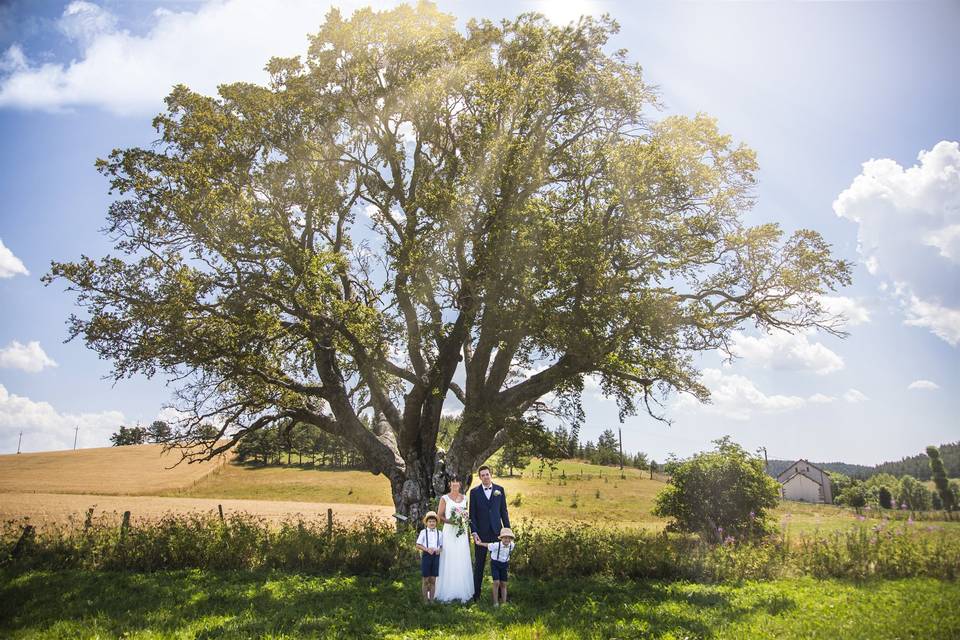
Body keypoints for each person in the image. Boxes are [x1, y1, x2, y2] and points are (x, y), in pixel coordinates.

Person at [469, 465, 510, 601]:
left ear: (490, 475)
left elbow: (503, 511)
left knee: (499, 563)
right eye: (483, 475)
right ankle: (476, 595)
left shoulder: (499, 490)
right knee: (479, 565)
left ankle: (499, 596)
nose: (485, 477)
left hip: (497, 533)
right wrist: (474, 532)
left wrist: (507, 532)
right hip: (481, 533)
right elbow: (472, 515)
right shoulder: (474, 492)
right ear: (480, 477)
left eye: (487, 474)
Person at [434, 477, 474, 602]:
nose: (455, 483)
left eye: (457, 481)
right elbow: (439, 516)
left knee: (461, 558)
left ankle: (461, 591)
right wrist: (452, 521)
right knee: (449, 557)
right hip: (449, 532)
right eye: (453, 482)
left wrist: (463, 520)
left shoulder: (465, 498)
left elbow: (466, 514)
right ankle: (446, 591)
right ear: (450, 484)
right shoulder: (444, 498)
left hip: (461, 533)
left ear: (460, 484)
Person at [474, 527, 516, 606]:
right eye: (505, 538)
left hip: (504, 565)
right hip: (495, 564)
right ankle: (495, 602)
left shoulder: (512, 545)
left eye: (509, 538)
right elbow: (488, 545)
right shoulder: (497, 545)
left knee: (504, 583)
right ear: (501, 538)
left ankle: (504, 602)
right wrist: (479, 543)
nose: (507, 540)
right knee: (496, 582)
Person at [416, 511, 443, 602]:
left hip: (436, 556)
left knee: (433, 579)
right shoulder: (423, 532)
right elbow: (418, 545)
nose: (432, 523)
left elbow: (441, 545)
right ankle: (425, 600)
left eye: (433, 521)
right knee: (426, 579)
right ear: (426, 523)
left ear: (436, 523)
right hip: (427, 555)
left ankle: (431, 600)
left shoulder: (440, 533)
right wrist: (427, 549)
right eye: (430, 521)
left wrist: (439, 550)